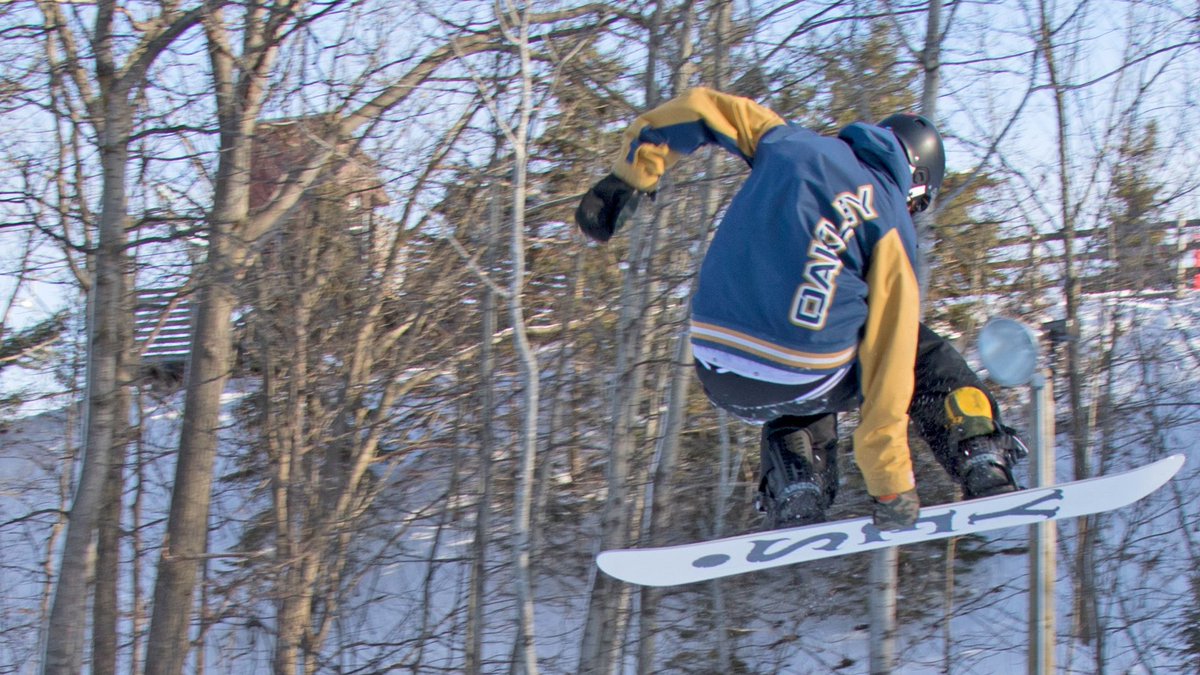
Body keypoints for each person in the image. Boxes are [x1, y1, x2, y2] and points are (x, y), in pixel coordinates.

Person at [574, 88, 1026, 531]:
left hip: (719, 370)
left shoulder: (786, 141)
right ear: (916, 179)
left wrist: (630, 175)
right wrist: (888, 480)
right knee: (921, 355)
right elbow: (890, 356)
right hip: (806, 366)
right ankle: (978, 453)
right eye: (915, 204)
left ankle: (797, 479)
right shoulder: (889, 219)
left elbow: (700, 107)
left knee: (810, 346)